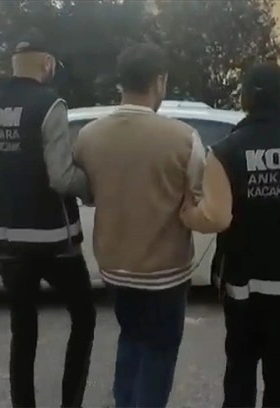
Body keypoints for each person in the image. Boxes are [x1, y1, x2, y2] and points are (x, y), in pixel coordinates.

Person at [181, 62, 280, 408]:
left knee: (240, 371)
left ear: (244, 100)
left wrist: (186, 214)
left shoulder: (225, 152)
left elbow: (216, 217)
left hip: (245, 287)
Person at [72, 43, 206, 408]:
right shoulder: (184, 137)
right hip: (166, 272)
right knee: (160, 353)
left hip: (114, 267)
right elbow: (198, 196)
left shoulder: (88, 136)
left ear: (122, 82)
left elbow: (88, 193)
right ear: (159, 81)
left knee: (130, 338)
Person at [0, 35, 96, 408]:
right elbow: (61, 177)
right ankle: (70, 403)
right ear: (47, 64)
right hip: (52, 237)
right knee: (84, 317)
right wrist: (91, 188)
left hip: (3, 237)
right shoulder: (48, 104)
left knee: (22, 330)